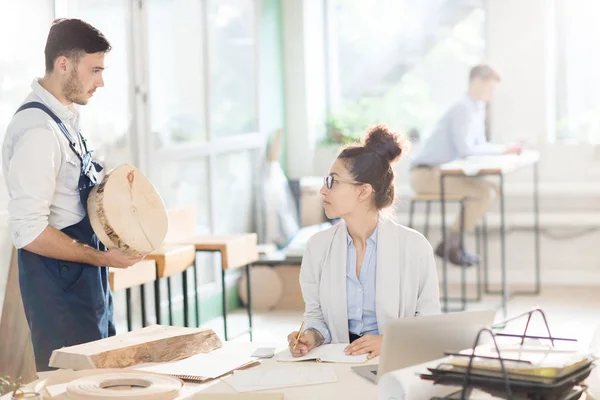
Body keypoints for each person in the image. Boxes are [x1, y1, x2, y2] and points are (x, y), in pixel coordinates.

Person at [2, 18, 143, 371]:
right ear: (63, 64)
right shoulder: (38, 131)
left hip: (85, 280)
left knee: (102, 379)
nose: (101, 81)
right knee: (72, 389)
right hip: (58, 289)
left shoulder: (65, 117)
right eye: (95, 70)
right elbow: (29, 232)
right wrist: (103, 259)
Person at [286, 125, 441, 360]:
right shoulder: (317, 247)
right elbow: (316, 315)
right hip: (339, 360)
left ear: (363, 192)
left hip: (394, 359)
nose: (322, 190)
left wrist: (389, 342)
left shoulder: (415, 247)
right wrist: (311, 335)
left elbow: (429, 323)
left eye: (332, 181)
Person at [409, 64, 523, 267]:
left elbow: (478, 146)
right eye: (491, 87)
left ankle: (452, 244)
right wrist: (502, 151)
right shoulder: (462, 108)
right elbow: (466, 149)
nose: (493, 93)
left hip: (443, 174)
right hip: (427, 175)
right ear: (477, 82)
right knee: (485, 193)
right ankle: (452, 245)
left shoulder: (476, 109)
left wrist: (503, 149)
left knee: (492, 190)